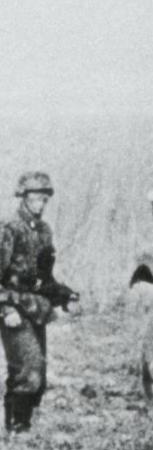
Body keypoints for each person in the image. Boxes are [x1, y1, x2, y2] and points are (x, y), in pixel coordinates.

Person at [1, 172, 77, 433]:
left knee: (39, 374)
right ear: (23, 197)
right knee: (29, 369)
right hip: (12, 307)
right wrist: (6, 309)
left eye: (44, 199)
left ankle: (21, 425)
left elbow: (45, 278)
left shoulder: (44, 231)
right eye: (35, 198)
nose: (40, 204)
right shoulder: (8, 228)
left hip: (35, 308)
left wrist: (64, 295)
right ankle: (17, 429)